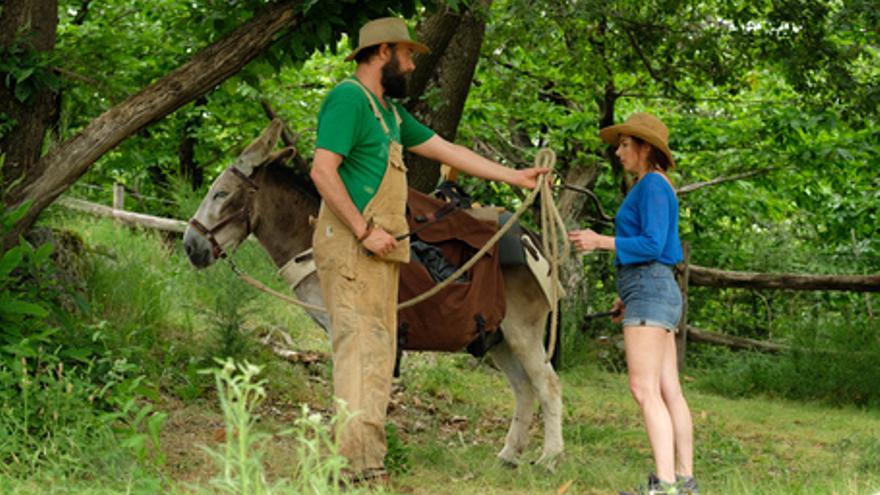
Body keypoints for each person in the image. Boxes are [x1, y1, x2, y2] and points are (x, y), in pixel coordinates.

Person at [309, 17, 549, 485]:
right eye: (408, 54)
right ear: (383, 53)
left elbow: (446, 150)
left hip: (381, 256)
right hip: (355, 252)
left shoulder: (390, 114)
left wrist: (512, 176)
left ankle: (367, 465)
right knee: (360, 354)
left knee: (377, 355)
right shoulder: (347, 99)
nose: (414, 62)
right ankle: (351, 469)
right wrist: (362, 231)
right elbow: (323, 171)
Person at [568, 113, 697, 495]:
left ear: (645, 149)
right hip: (653, 290)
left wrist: (599, 241)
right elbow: (652, 250)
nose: (619, 150)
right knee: (668, 389)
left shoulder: (653, 186)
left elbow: (654, 245)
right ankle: (684, 482)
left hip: (651, 288)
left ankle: (666, 486)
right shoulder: (651, 186)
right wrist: (628, 296)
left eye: (626, 144)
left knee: (644, 389)